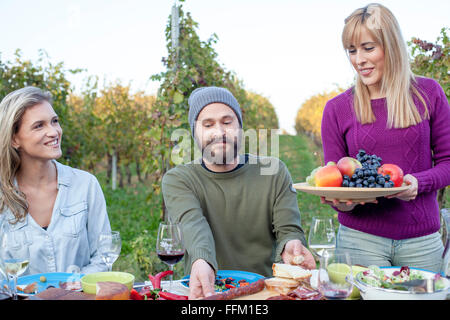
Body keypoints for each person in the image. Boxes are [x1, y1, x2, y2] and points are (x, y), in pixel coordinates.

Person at [320, 3, 450, 273]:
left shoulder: (428, 93)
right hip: (359, 240)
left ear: (390, 45)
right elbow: (335, 177)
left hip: (422, 242)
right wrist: (340, 201)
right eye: (352, 50)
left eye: (368, 48)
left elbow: (449, 161)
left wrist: (419, 182)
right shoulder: (337, 108)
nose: (359, 60)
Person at [162, 86, 315, 299]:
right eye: (208, 124)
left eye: (227, 122)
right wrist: (202, 260)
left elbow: (288, 229)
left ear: (240, 127)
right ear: (194, 132)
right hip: (206, 292)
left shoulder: (273, 172)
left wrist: (291, 245)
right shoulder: (179, 179)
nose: (219, 132)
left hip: (265, 293)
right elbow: (192, 224)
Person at [0, 86, 112, 275]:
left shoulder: (86, 185)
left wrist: (69, 288)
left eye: (54, 121)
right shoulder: (3, 196)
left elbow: (104, 256)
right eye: (39, 126)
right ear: (14, 139)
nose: (54, 132)